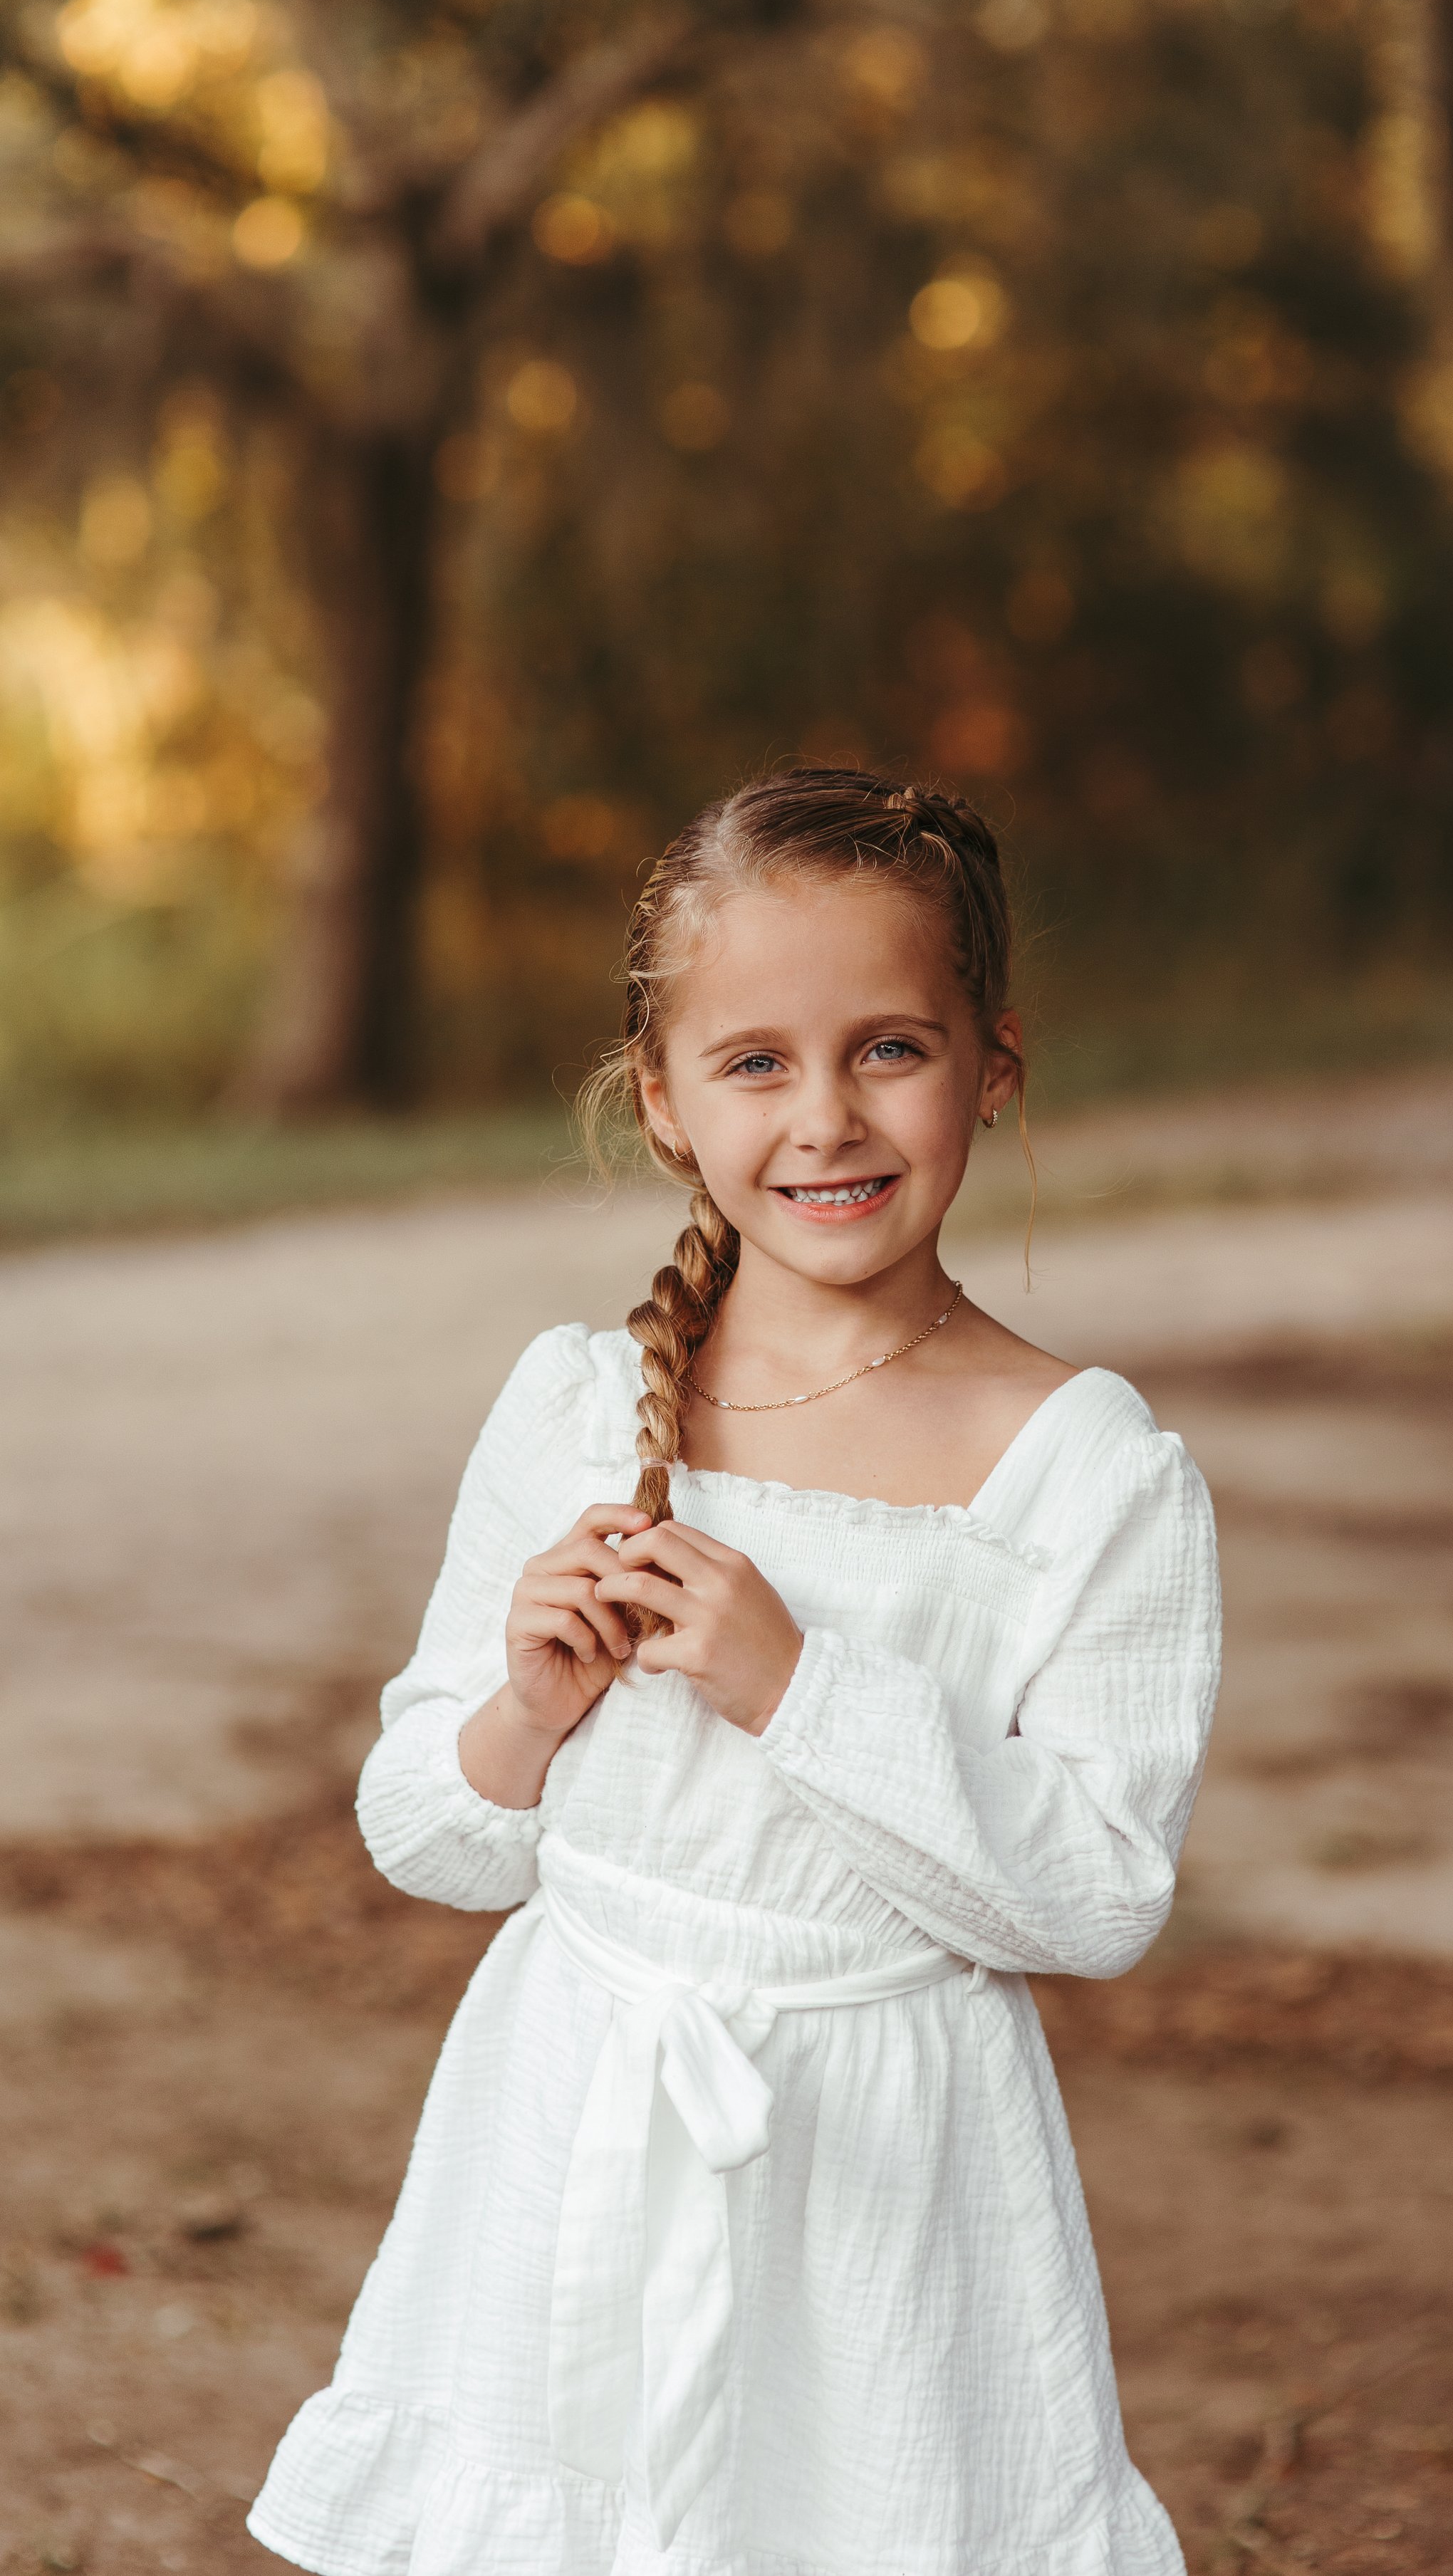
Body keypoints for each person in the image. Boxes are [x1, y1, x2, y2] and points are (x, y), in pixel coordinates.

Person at [249, 768, 1222, 2576]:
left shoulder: (1082, 1472)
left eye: (889, 1050)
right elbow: (424, 1835)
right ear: (664, 1105)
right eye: (755, 1061)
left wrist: (799, 1683)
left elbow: (1092, 1897)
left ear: (991, 1067)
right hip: (570, 2126)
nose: (826, 1116)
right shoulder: (573, 1406)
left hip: (882, 2169)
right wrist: (527, 1712)